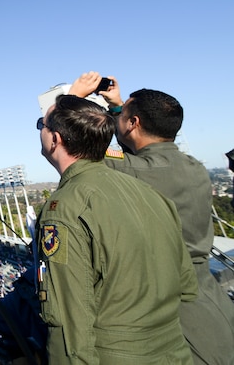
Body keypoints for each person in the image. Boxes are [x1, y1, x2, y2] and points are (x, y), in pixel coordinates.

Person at [70, 72, 234, 364]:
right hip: (211, 300)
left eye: (125, 116)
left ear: (134, 123)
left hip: (172, 309)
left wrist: (73, 99)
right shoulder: (193, 166)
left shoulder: (134, 170)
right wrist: (120, 107)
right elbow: (142, 158)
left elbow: (76, 150)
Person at [36, 94, 197, 364]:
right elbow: (187, 285)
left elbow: (68, 326)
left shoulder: (64, 209)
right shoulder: (149, 193)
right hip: (175, 352)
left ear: (56, 139)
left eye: (42, 124)